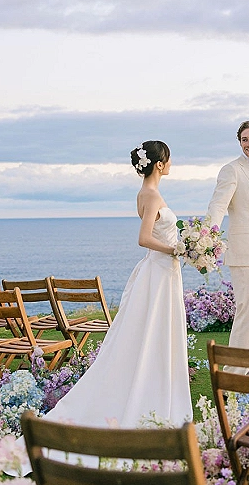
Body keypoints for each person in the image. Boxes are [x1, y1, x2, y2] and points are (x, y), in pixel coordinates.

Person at [21, 141, 193, 445]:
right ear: (159, 165)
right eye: (169, 160)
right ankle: (146, 392)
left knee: (157, 333)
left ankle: (156, 386)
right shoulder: (151, 196)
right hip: (159, 270)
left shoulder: (145, 193)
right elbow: (143, 238)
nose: (171, 165)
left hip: (162, 273)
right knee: (152, 332)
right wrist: (176, 249)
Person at [207, 121, 249, 353]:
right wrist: (208, 236)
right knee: (247, 312)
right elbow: (218, 205)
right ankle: (235, 376)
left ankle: (239, 372)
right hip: (243, 252)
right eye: (244, 140)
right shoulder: (232, 169)